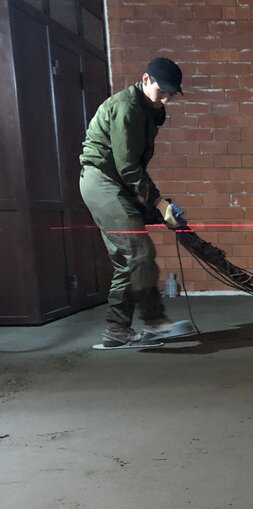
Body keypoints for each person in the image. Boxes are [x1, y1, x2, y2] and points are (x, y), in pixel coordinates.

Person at [79, 56, 191, 347]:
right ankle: (155, 324)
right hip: (101, 181)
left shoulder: (147, 109)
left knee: (126, 260)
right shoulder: (127, 108)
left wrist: (157, 206)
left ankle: (117, 330)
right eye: (161, 91)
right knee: (139, 251)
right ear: (145, 80)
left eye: (170, 94)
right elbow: (128, 166)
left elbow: (130, 168)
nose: (165, 98)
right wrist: (159, 203)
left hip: (114, 183)